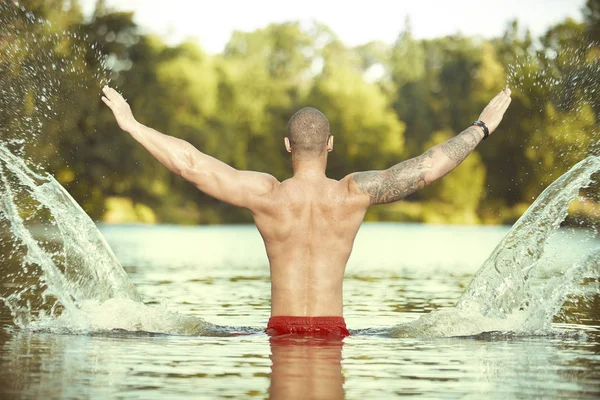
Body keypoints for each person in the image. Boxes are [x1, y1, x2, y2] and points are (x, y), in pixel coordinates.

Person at [101, 86, 512, 337]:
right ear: (330, 144)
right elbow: (427, 166)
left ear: (287, 146)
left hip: (279, 333)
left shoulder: (267, 196)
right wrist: (481, 127)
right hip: (336, 333)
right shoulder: (354, 194)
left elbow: (191, 164)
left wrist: (132, 125)